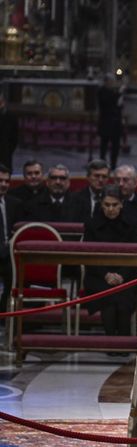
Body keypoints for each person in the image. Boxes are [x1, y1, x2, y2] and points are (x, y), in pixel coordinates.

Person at [82, 185, 137, 337]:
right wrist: (106, 275)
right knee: (108, 298)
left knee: (123, 300)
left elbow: (134, 255)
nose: (111, 209)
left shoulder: (131, 224)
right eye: (107, 205)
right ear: (101, 205)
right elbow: (89, 256)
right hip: (99, 276)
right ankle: (111, 342)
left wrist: (121, 276)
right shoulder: (92, 224)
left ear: (121, 204)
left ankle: (123, 342)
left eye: (114, 205)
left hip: (126, 276)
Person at [0, 164, 23, 310]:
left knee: (17, 271)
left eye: (7, 181)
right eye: (0, 180)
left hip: (9, 256)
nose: (3, 184)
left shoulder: (15, 204)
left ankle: (5, 313)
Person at [96, 74, 125, 169]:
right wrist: (119, 93)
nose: (112, 83)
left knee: (115, 147)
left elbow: (117, 105)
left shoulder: (112, 91)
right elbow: (108, 102)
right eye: (111, 81)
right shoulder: (102, 91)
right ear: (106, 82)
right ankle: (102, 164)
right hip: (106, 123)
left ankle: (113, 164)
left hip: (116, 124)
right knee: (104, 146)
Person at [0, 94, 18, 171]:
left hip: (5, 155)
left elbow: (14, 139)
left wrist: (7, 151)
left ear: (3, 102)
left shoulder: (11, 117)